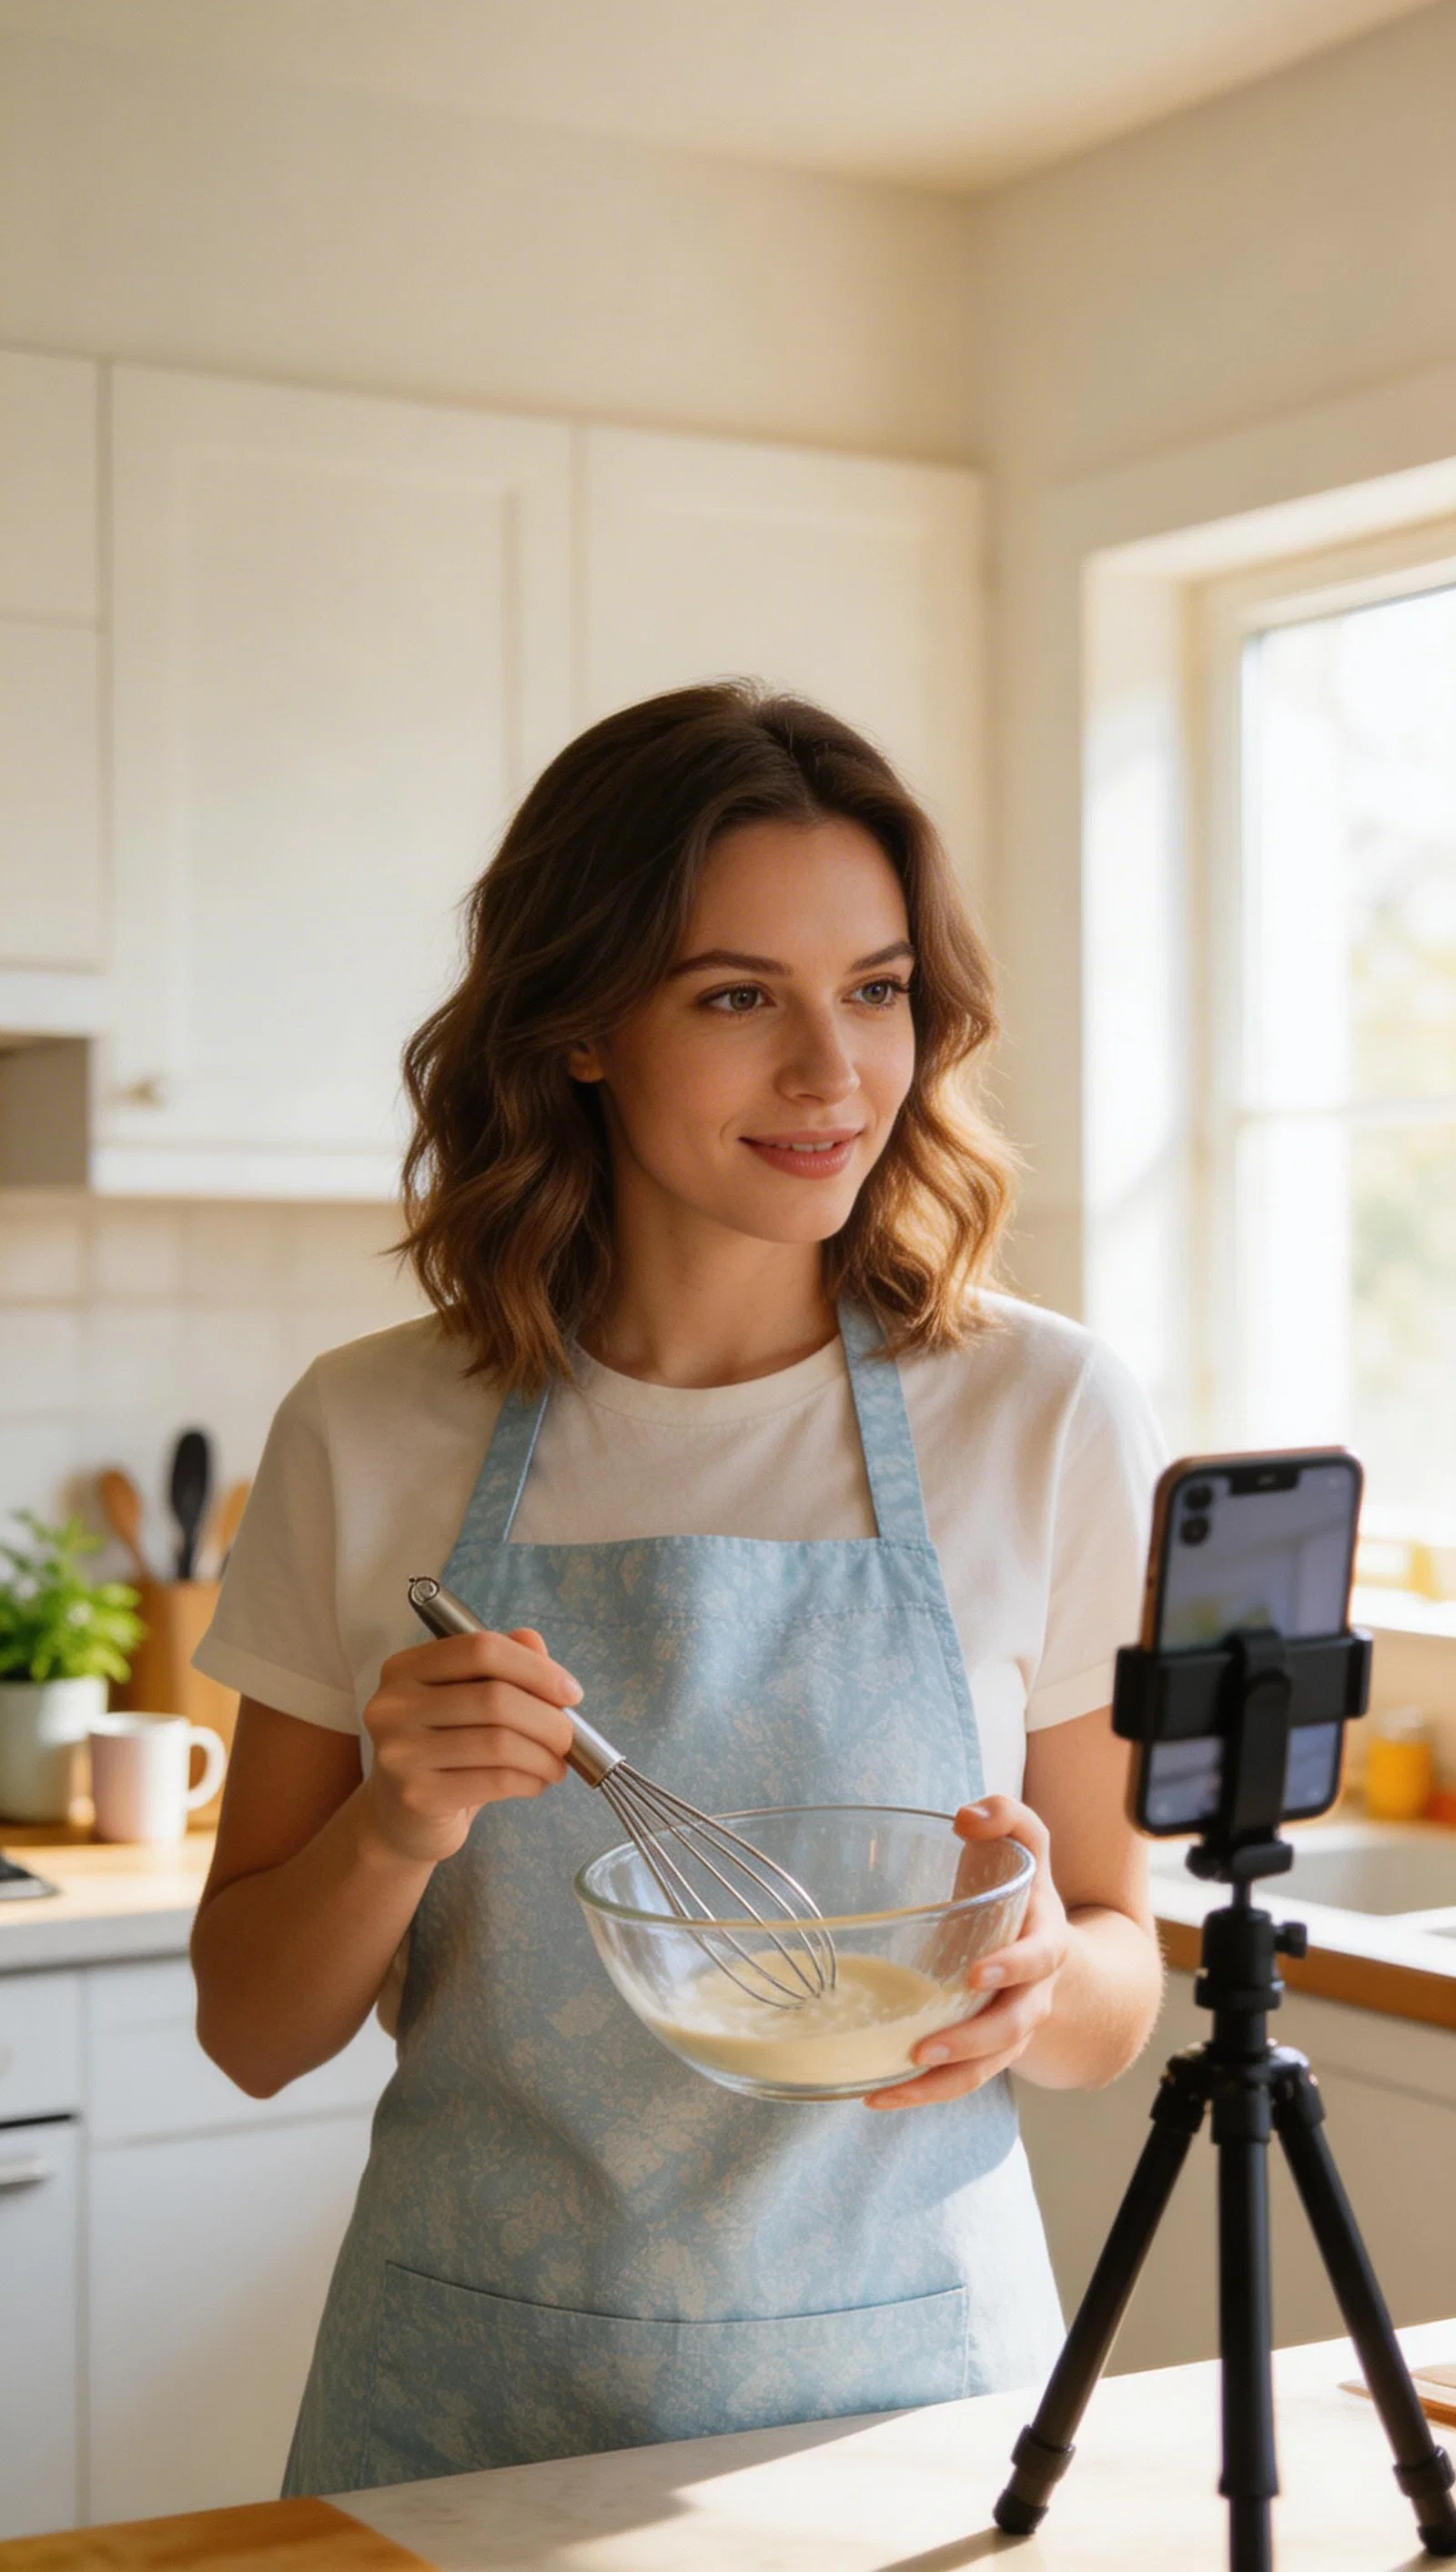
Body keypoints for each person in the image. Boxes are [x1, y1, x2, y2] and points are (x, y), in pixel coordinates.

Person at [190, 684, 1165, 2496]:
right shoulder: (369, 1425)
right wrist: (396, 1824)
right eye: (736, 997)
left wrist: (1043, 1970)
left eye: (875, 989)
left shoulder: (1042, 1412)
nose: (830, 1074)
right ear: (577, 1025)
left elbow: (1118, 1978)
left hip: (908, 2407)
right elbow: (249, 2030)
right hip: (463, 2402)